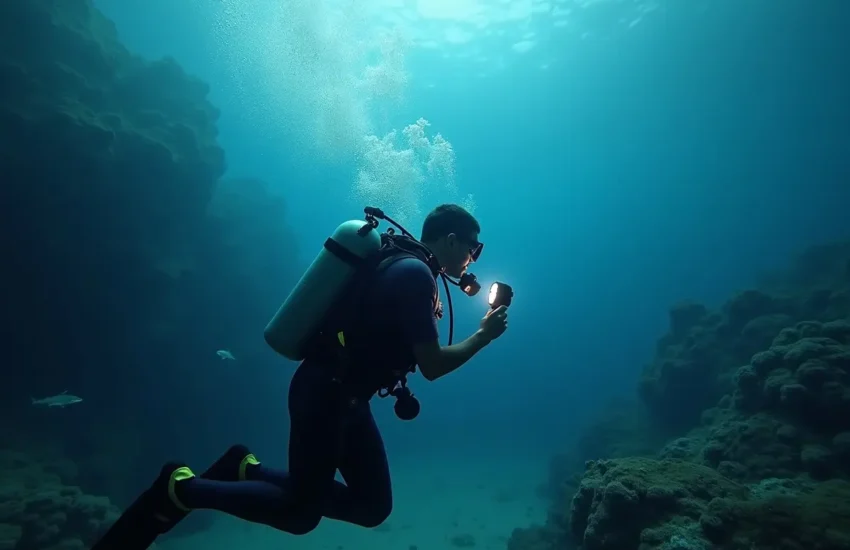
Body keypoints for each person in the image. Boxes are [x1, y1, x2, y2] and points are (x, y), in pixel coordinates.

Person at [93, 204, 509, 549]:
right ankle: (179, 488)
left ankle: (245, 469)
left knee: (372, 507)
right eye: (474, 248)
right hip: (325, 395)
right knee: (299, 514)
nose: (473, 259)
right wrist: (483, 337)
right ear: (451, 240)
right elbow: (433, 366)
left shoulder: (410, 268)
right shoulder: (415, 276)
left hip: (347, 399)